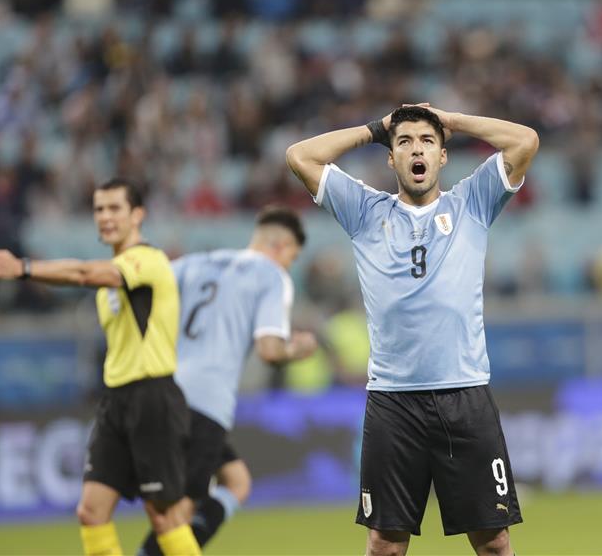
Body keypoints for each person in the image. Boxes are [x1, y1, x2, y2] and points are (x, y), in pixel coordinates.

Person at [286, 104, 539, 556]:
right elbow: (300, 156)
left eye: (427, 141)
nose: (416, 150)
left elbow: (525, 141)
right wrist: (376, 129)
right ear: (391, 158)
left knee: (494, 542)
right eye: (404, 142)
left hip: (465, 396)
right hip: (394, 403)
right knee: (384, 545)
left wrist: (453, 121)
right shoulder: (365, 210)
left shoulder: (471, 202)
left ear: (443, 155)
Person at [0, 178, 200, 556]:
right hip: (117, 400)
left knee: (165, 517)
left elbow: (84, 274)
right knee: (91, 512)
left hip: (152, 397)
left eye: (115, 208)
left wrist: (24, 268)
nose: (105, 217)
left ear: (138, 215)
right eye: (99, 209)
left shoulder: (147, 260)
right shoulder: (111, 276)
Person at [138, 206, 318, 555]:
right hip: (205, 402)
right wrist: (300, 348)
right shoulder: (272, 276)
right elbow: (269, 349)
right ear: (281, 245)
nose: (289, 266)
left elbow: (141, 297)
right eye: (292, 258)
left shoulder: (197, 263)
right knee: (178, 514)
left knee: (236, 482)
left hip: (163, 390)